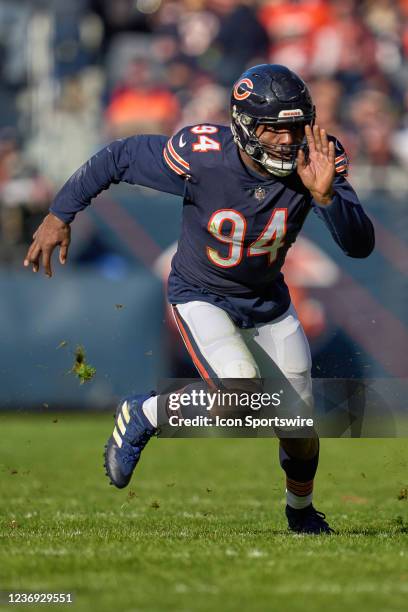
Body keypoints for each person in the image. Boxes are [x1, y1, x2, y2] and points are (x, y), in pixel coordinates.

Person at [23, 64, 375, 534]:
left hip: (268, 301)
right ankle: (144, 412)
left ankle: (301, 512)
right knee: (238, 390)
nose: (287, 142)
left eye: (293, 127)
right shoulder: (203, 154)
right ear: (245, 128)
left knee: (300, 431)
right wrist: (60, 213)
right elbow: (118, 157)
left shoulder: (318, 158)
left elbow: (360, 245)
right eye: (273, 129)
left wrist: (327, 197)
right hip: (201, 292)